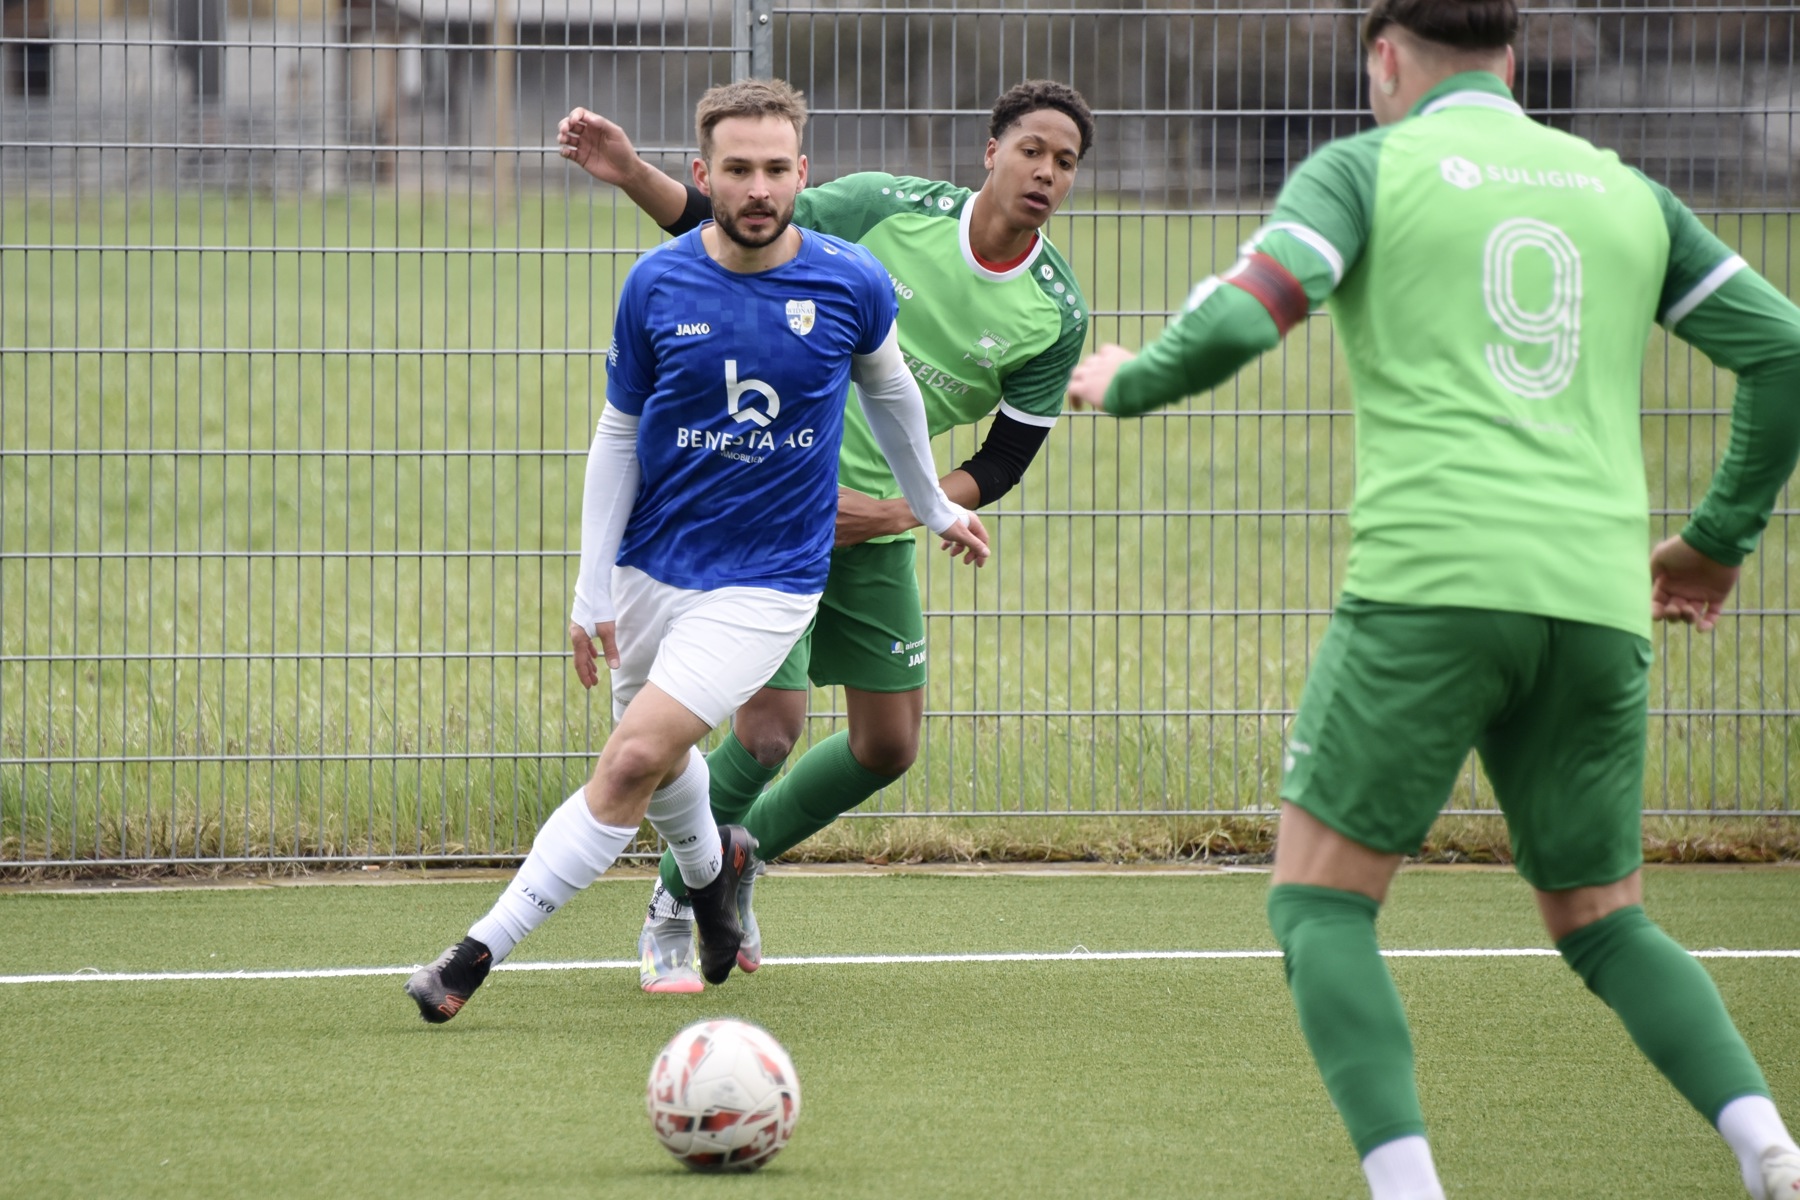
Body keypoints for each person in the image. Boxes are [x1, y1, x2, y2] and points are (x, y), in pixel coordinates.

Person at [1064, 0, 1800, 1194]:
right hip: (1598, 602)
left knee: (1321, 907)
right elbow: (1785, 351)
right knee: (1606, 920)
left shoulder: (1368, 168)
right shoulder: (1625, 190)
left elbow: (1250, 310)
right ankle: (1770, 1148)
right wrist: (1716, 543)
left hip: (1432, 589)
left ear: (1385, 57)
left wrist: (1126, 380)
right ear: (1512, 58)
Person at [405, 78, 989, 1023]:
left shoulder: (850, 281)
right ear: (703, 175)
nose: (758, 189)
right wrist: (591, 589)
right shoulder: (656, 283)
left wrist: (929, 505)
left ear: (802, 173)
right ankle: (718, 880)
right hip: (650, 567)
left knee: (634, 756)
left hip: (769, 581)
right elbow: (618, 435)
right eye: (738, 169)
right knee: (670, 764)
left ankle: (471, 958)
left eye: (776, 169)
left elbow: (892, 394)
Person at [557, 80, 1096, 992]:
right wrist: (631, 173)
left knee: (889, 746)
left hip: (879, 526)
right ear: (991, 152)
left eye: (1066, 162)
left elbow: (1006, 456)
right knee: (770, 733)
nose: (1045, 172)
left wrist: (903, 512)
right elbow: (735, 227)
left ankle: (738, 858)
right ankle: (677, 904)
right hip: (771, 508)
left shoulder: (1057, 311)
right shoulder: (885, 207)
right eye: (1031, 150)